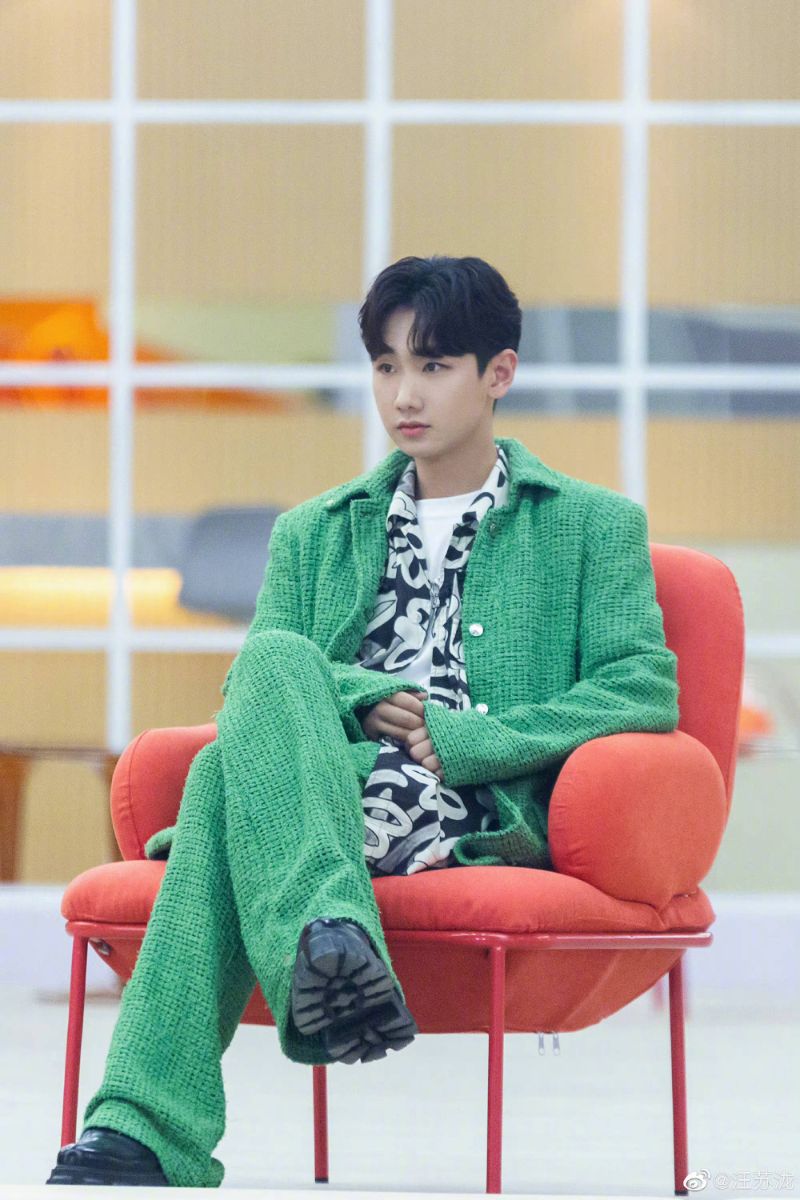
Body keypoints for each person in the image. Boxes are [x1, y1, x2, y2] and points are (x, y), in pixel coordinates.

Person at [47, 255, 680, 1188]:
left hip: (475, 812)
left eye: (433, 366)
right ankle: (329, 935)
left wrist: (472, 740)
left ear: (498, 373)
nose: (404, 394)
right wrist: (352, 696)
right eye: (385, 366)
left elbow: (642, 687)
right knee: (272, 658)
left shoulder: (590, 526)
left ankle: (140, 1130)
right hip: (329, 791)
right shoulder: (315, 530)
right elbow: (259, 686)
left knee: (221, 785)